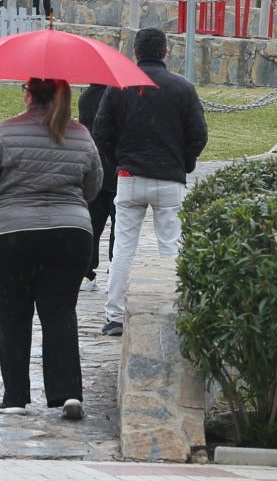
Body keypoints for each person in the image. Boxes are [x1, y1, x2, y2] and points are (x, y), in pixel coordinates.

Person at [0, 77, 102, 421]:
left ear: (28, 93)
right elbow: (93, 186)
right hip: (70, 234)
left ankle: (15, 395)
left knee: (13, 315)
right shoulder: (81, 134)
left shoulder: (6, 132)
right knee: (60, 313)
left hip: (10, 234)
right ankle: (68, 393)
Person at [92, 27, 208, 338]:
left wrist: (119, 160)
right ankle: (174, 309)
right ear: (166, 53)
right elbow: (199, 135)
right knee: (170, 246)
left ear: (136, 53)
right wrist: (183, 162)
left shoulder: (120, 86)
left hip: (130, 176)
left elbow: (101, 130)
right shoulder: (182, 88)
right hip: (169, 178)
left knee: (123, 250)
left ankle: (115, 315)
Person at [77, 84, 117, 288]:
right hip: (117, 168)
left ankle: (86, 271)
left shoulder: (87, 98)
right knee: (119, 226)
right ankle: (116, 267)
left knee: (92, 223)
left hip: (94, 169)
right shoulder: (119, 94)